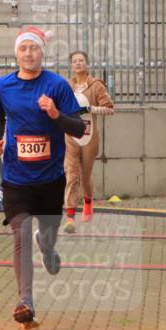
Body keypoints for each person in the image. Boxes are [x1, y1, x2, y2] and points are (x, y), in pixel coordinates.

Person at [0, 26, 85, 330]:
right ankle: (26, 302)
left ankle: (47, 247)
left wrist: (56, 114)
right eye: (23, 48)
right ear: (16, 53)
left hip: (50, 179)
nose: (28, 53)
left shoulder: (57, 85)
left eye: (33, 48)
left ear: (42, 52)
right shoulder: (3, 86)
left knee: (47, 232)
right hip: (16, 178)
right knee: (21, 234)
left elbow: (79, 128)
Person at [62, 50, 114, 234]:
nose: (78, 63)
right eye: (75, 61)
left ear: (87, 64)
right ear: (71, 65)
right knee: (71, 175)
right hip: (71, 137)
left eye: (81, 60)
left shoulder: (96, 86)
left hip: (89, 137)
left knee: (85, 176)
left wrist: (89, 109)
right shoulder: (66, 86)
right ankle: (70, 217)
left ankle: (88, 201)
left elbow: (110, 109)